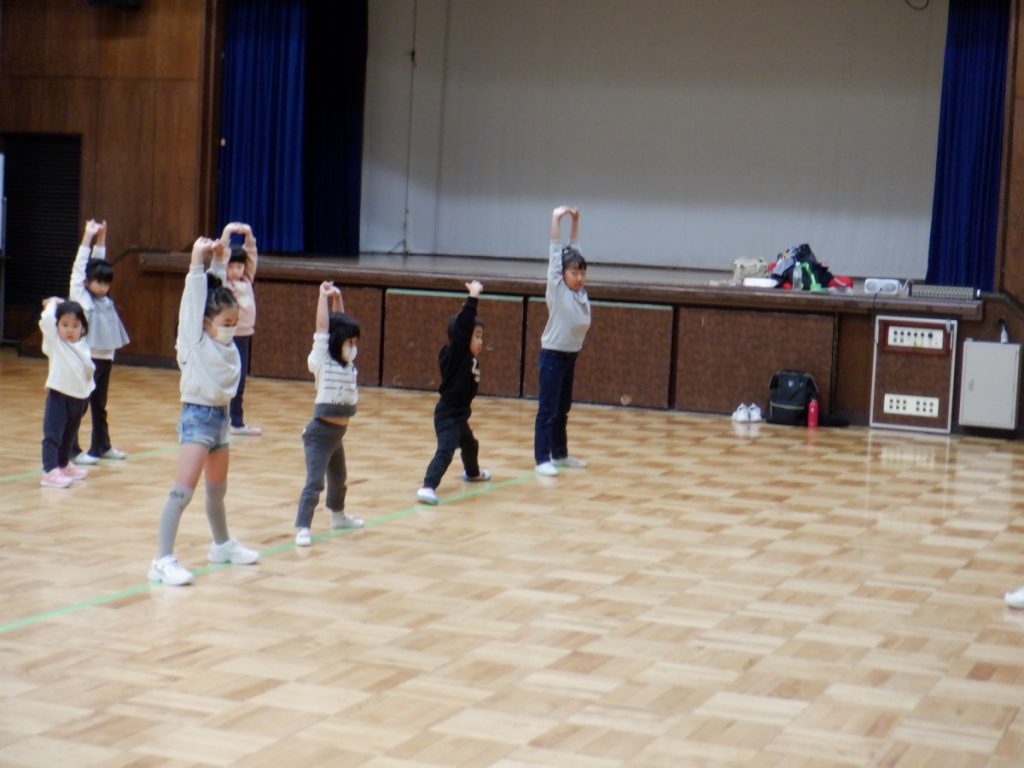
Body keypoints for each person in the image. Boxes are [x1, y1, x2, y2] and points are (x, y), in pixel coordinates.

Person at [148, 237, 260, 586]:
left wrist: (218, 262)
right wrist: (197, 261)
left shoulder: (225, 343)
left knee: (217, 491)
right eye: (226, 321)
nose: (231, 326)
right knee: (182, 493)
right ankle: (162, 560)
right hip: (197, 419)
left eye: (235, 321)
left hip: (220, 420)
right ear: (205, 323)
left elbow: (214, 292)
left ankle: (221, 544)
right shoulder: (193, 340)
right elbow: (196, 299)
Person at [293, 281, 365, 547]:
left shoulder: (348, 364)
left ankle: (338, 516)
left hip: (337, 435)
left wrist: (338, 298)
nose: (353, 346)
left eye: (355, 342)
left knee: (339, 479)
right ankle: (303, 527)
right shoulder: (323, 359)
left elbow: (338, 323)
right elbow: (324, 330)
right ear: (336, 342)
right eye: (349, 342)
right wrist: (322, 297)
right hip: (319, 435)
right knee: (315, 483)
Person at [416, 280, 491, 505]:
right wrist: (473, 296)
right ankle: (427, 487)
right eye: (476, 336)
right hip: (447, 416)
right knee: (446, 450)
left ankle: (472, 473)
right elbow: (464, 324)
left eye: (481, 336)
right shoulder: (456, 355)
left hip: (459, 416)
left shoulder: (470, 359)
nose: (481, 341)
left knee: (470, 445)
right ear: (463, 337)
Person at [534, 205, 591, 476]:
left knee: (562, 408)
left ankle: (559, 454)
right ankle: (542, 458)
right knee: (547, 409)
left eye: (582, 273)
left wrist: (575, 221)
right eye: (573, 273)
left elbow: (573, 250)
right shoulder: (557, 288)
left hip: (570, 355)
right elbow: (557, 252)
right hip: (553, 356)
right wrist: (556, 219)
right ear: (562, 274)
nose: (579, 277)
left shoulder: (580, 292)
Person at [69, 219, 131, 465]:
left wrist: (102, 237)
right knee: (80, 404)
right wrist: (88, 236)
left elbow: (98, 264)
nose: (104, 287)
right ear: (87, 282)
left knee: (99, 405)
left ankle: (101, 446)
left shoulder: (105, 299)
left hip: (105, 358)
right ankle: (71, 449)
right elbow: (81, 269)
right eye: (99, 282)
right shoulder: (82, 297)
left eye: (107, 283)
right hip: (88, 358)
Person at [38, 297, 95, 488]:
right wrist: (53, 303)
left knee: (70, 434)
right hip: (59, 395)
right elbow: (47, 320)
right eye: (64, 325)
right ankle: (49, 470)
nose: (70, 330)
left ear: (82, 327)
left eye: (75, 325)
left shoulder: (82, 345)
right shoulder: (55, 343)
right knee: (53, 434)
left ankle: (63, 463)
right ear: (57, 326)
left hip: (79, 397)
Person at [221, 222, 262, 436]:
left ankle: (236, 422)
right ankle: (222, 420)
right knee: (226, 378)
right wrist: (227, 233)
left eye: (239, 267)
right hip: (229, 337)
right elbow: (220, 258)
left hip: (245, 336)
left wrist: (249, 235)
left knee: (240, 379)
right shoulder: (224, 284)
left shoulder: (247, 280)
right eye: (232, 267)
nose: (236, 271)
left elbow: (251, 255)